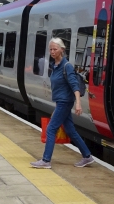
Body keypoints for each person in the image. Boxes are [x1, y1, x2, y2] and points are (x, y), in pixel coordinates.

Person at [31, 37, 94, 169]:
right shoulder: (55, 66)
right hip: (61, 102)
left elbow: (74, 86)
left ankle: (46, 160)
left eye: (55, 49)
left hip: (65, 102)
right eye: (50, 49)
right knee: (70, 130)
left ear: (62, 50)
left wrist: (78, 103)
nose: (52, 52)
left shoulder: (67, 66)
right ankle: (87, 156)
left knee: (51, 129)